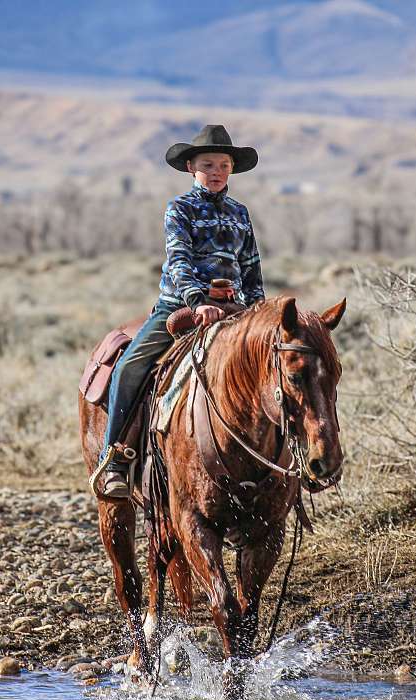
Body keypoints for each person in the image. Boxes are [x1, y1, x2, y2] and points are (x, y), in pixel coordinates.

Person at [90, 124, 265, 498]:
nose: (216, 171)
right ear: (191, 168)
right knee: (130, 365)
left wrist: (259, 312)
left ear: (232, 168)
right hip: (179, 305)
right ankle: (115, 459)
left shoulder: (240, 213)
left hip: (233, 308)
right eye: (208, 164)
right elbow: (179, 259)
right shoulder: (179, 209)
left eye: (223, 164)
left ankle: (282, 464)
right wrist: (197, 300)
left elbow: (251, 267)